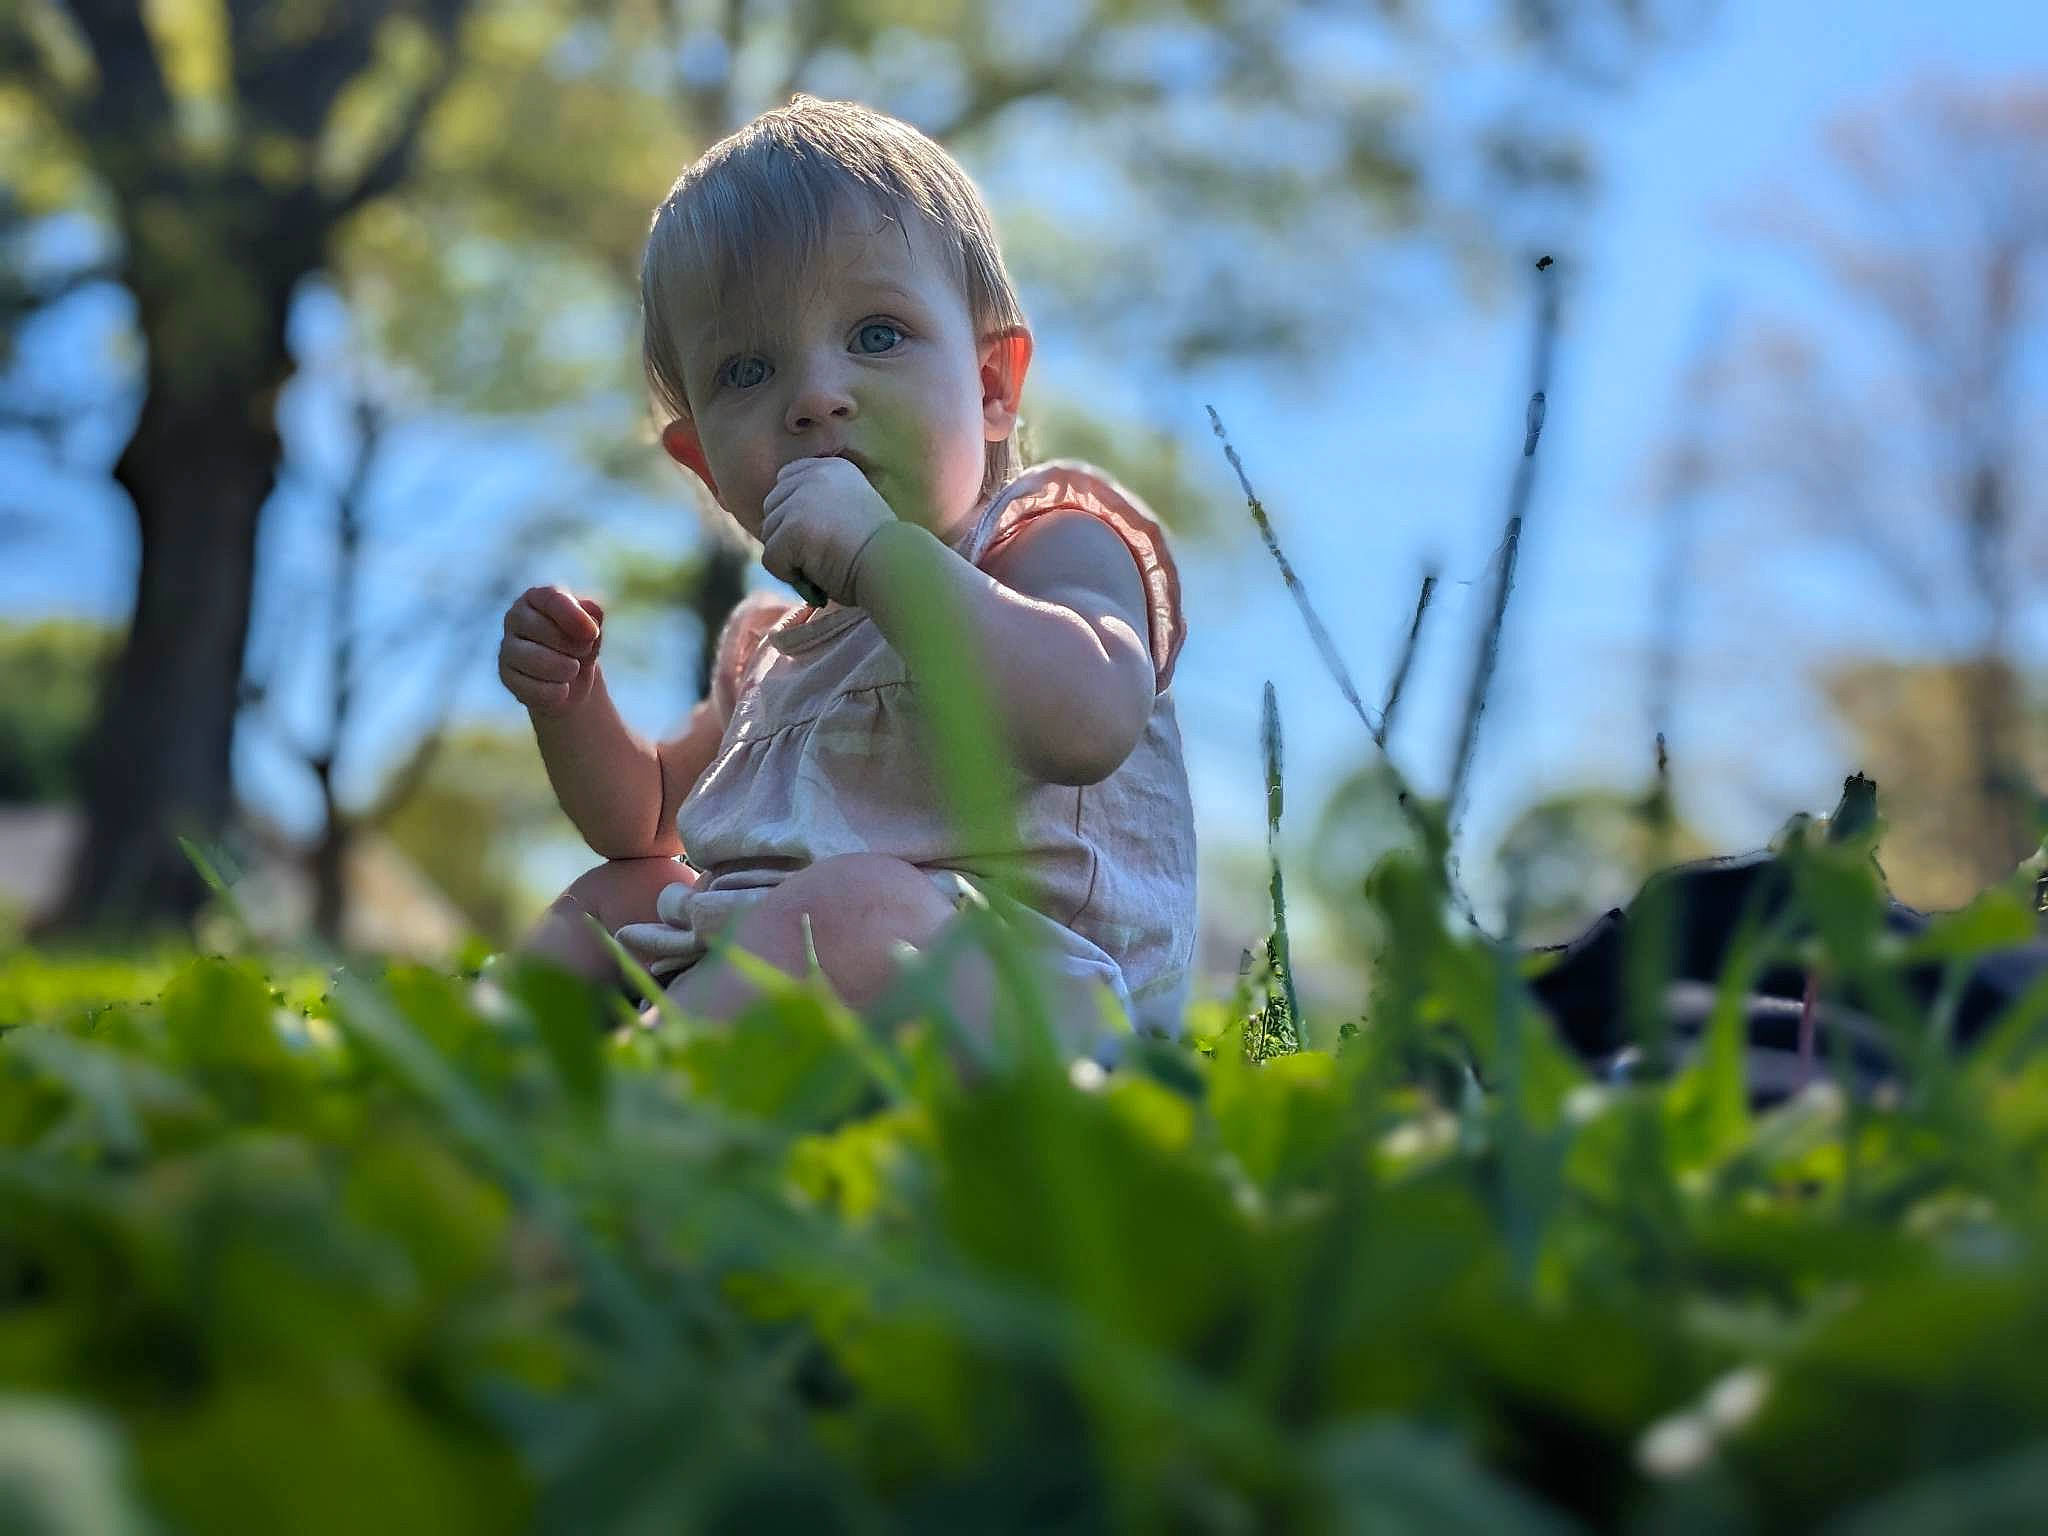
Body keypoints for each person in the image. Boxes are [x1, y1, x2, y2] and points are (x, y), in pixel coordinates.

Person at [499, 95, 1195, 1054]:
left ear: (992, 387)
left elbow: (1090, 721)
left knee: (856, 907)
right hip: (797, 991)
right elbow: (646, 818)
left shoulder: (1042, 542)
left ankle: (634, 1119)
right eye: (748, 370)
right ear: (706, 467)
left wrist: (882, 558)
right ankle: (471, 1074)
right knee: (625, 891)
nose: (818, 397)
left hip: (1037, 1009)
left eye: (876, 334)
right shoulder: (774, 655)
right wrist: (571, 705)